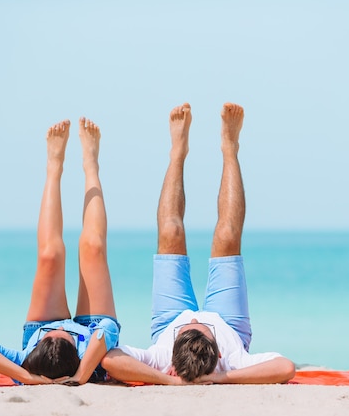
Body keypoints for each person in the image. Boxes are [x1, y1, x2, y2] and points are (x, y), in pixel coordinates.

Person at [103, 103, 296, 385]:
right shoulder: (231, 359)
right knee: (228, 235)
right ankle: (230, 147)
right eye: (200, 328)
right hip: (229, 323)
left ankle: (177, 152)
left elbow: (109, 359)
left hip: (169, 318)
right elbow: (285, 367)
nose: (194, 321)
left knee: (170, 231)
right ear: (219, 357)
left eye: (190, 328)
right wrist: (224, 377)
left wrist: (166, 380)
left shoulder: (161, 353)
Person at [0, 117, 120, 385]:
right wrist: (82, 375)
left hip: (38, 327)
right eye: (65, 334)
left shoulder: (27, 357)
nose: (61, 326)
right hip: (92, 331)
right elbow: (106, 330)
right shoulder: (85, 356)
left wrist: (28, 377)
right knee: (93, 248)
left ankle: (54, 167)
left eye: (54, 332)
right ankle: (91, 165)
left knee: (50, 255)